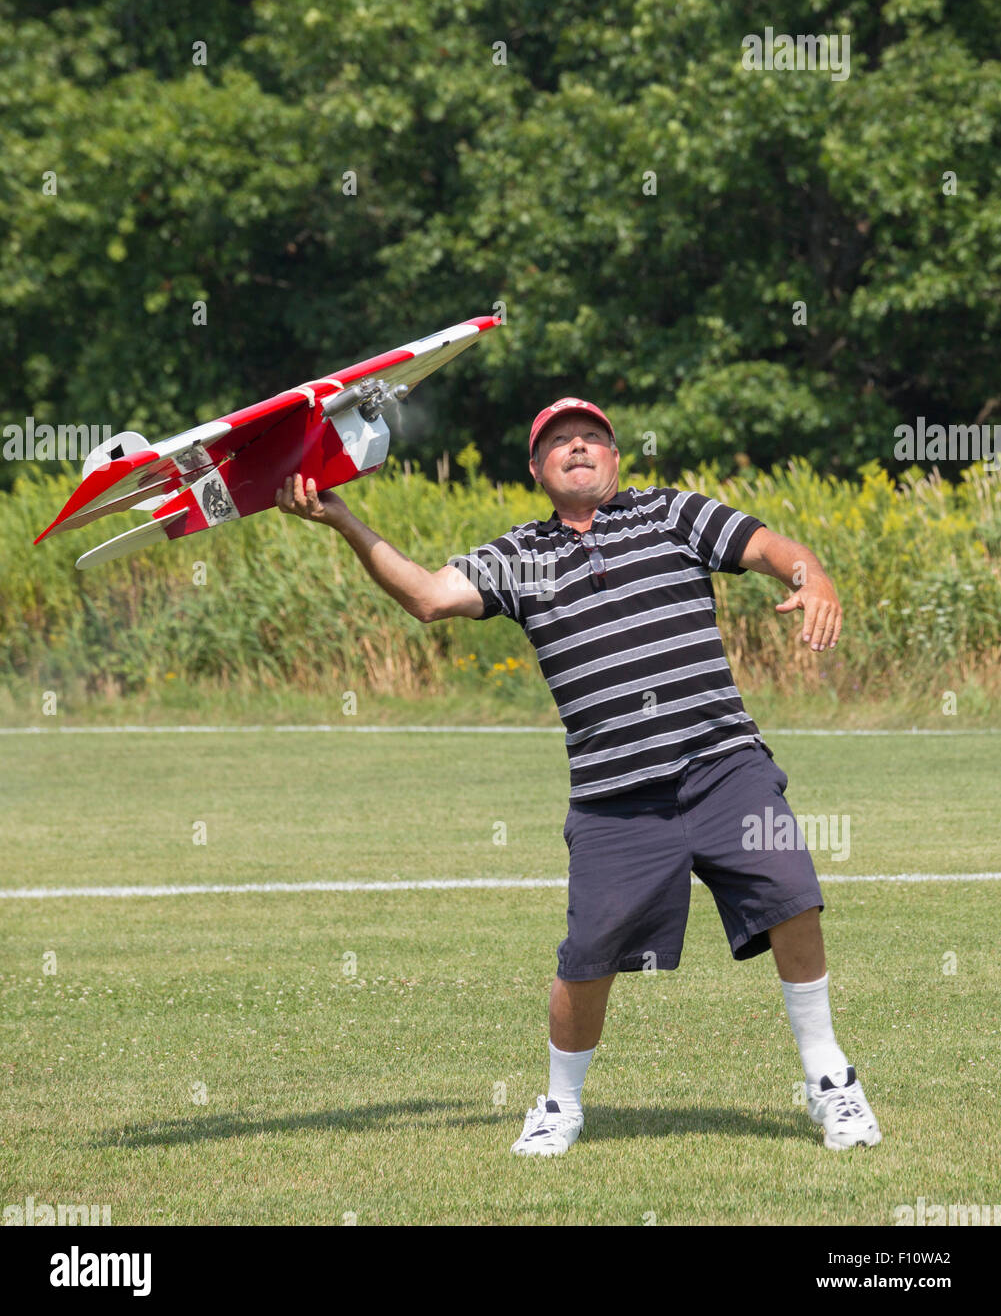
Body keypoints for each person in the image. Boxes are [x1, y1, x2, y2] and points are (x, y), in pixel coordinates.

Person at [275, 395, 881, 1156]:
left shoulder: (673, 515)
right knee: (588, 956)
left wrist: (813, 577)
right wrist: (342, 520)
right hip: (615, 799)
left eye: (592, 436)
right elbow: (428, 597)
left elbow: (772, 549)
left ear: (616, 458)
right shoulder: (519, 555)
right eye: (558, 441)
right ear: (536, 469)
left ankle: (831, 1082)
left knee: (793, 897)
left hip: (724, 768)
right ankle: (560, 1106)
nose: (578, 447)